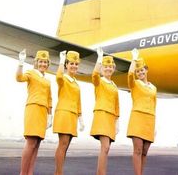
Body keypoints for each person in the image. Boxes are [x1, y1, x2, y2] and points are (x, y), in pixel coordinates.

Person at [16, 49, 53, 175]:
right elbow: (19, 78)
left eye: (45, 62)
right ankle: (23, 173)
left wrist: (50, 115)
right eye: (41, 62)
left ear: (48, 64)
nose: (43, 64)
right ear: (37, 62)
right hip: (33, 109)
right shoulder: (31, 73)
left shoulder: (48, 80)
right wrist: (21, 62)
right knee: (31, 142)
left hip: (43, 112)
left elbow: (49, 98)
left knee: (37, 144)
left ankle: (30, 172)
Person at [53, 50, 85, 175]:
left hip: (72, 116)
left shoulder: (76, 83)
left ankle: (58, 172)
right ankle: (59, 173)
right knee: (63, 144)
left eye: (76, 64)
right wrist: (61, 61)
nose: (74, 66)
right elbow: (58, 76)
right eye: (71, 63)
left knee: (66, 146)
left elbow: (78, 102)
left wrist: (81, 118)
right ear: (66, 65)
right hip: (64, 114)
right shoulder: (63, 79)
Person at [127, 48, 157, 175]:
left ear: (146, 69)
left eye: (142, 70)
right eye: (138, 71)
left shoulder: (153, 88)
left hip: (149, 121)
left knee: (144, 152)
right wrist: (134, 59)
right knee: (138, 150)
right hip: (138, 119)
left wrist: (155, 126)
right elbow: (129, 75)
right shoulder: (135, 84)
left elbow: (154, 105)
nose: (140, 73)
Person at [90, 47, 120, 175]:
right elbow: (94, 75)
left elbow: (116, 105)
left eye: (111, 67)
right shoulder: (99, 82)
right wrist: (99, 59)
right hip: (101, 115)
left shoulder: (114, 85)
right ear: (102, 69)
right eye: (106, 67)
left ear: (113, 69)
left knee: (106, 149)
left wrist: (117, 121)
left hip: (111, 118)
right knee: (105, 147)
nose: (108, 69)